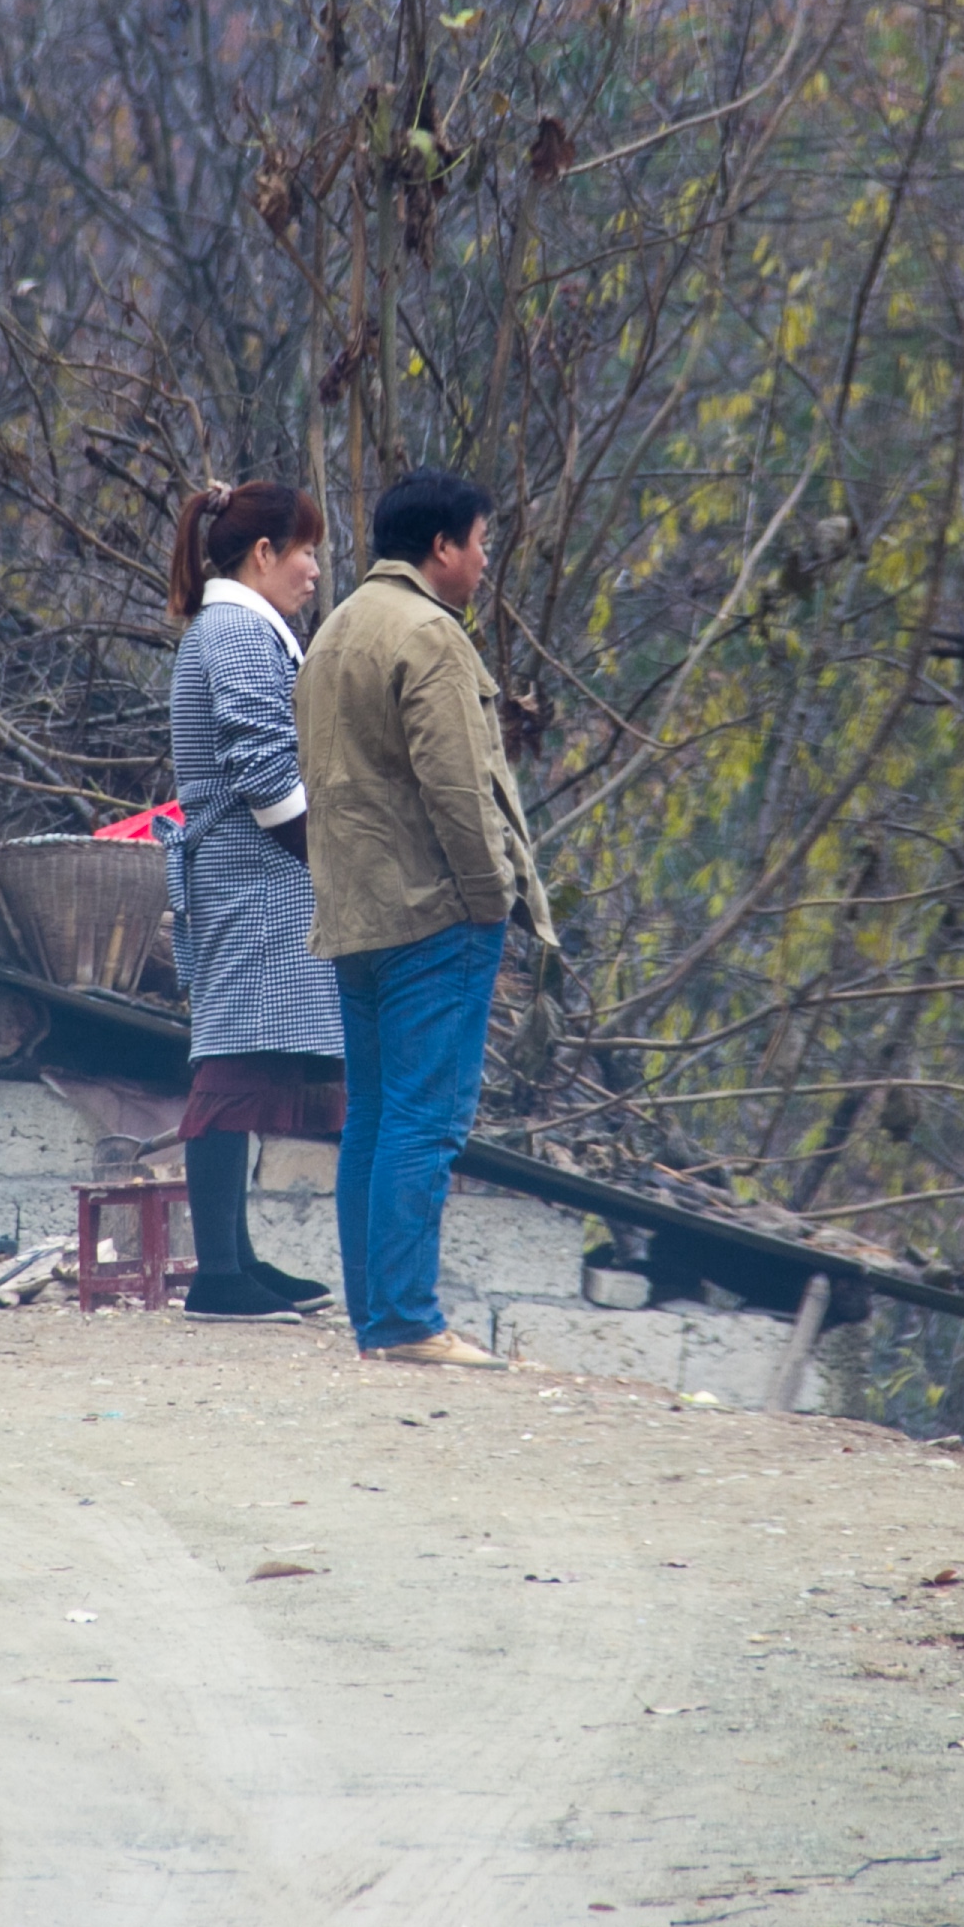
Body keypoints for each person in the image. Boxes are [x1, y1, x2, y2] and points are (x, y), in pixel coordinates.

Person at [295, 464, 553, 1369]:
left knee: (372, 1117)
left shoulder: (332, 633)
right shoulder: (429, 636)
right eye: (481, 544)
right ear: (441, 546)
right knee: (426, 1121)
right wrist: (494, 899)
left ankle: (380, 1317)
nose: (485, 563)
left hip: (353, 916)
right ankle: (406, 1322)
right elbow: (458, 789)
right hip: (431, 914)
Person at [161, 480, 348, 1321]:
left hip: (251, 874)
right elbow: (264, 767)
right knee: (229, 1067)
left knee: (240, 1058)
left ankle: (234, 1263)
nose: (314, 570)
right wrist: (327, 858)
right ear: (263, 554)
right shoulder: (237, 630)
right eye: (305, 550)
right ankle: (218, 1277)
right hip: (253, 875)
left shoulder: (232, 625)